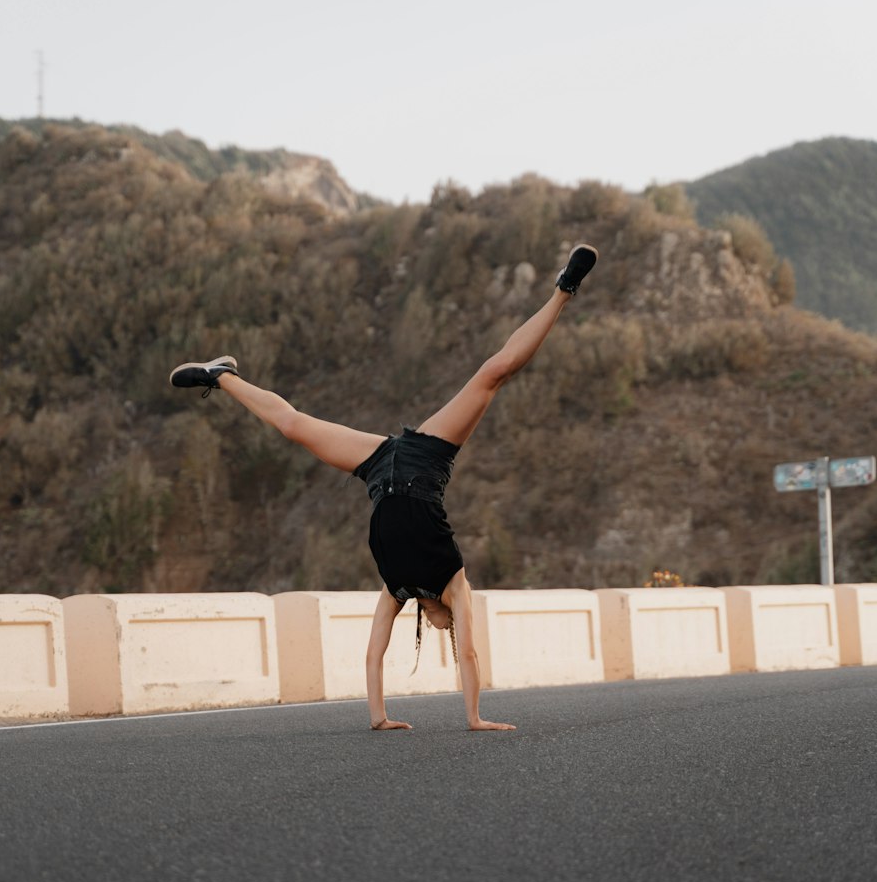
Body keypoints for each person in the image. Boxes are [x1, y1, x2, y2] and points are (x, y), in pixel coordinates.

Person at [170, 243, 599, 732]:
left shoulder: (396, 588)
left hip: (377, 467)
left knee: (293, 427)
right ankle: (565, 289)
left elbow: (374, 654)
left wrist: (379, 718)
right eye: (451, 629)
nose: (448, 629)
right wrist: (475, 718)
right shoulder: (456, 584)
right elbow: (471, 652)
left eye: (444, 628)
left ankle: (222, 378)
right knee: (492, 373)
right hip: (426, 455)